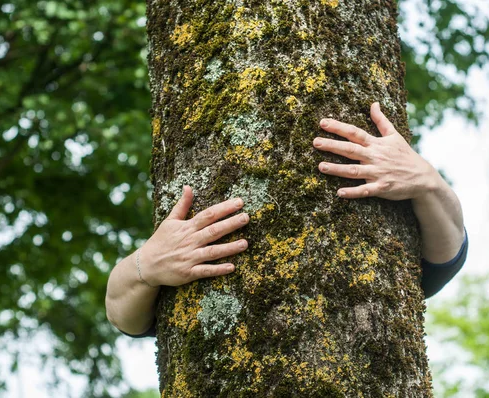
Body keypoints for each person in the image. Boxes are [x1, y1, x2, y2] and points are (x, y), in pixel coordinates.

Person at [105, 102, 468, 338]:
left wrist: (428, 183)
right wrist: (145, 264)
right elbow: (121, 313)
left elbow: (447, 258)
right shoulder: (177, 261)